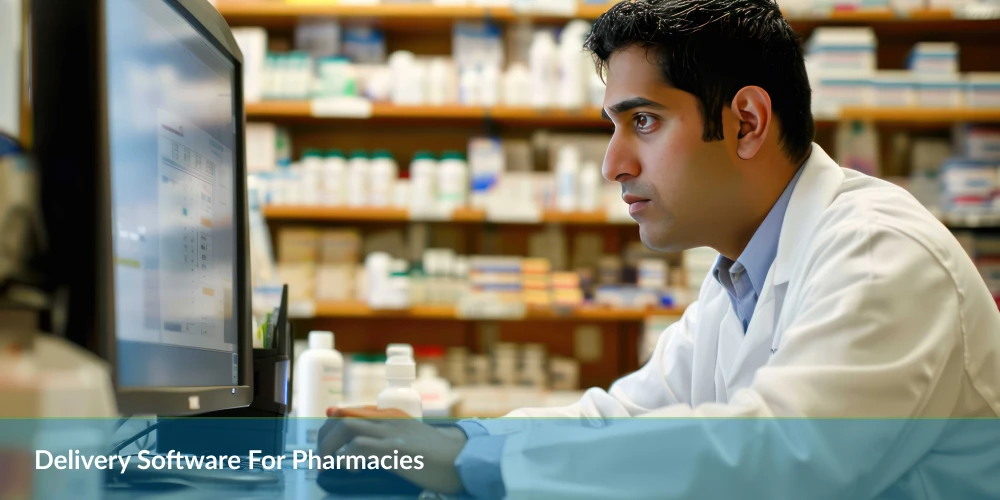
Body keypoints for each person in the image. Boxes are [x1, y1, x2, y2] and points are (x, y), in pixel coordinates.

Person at [318, 0, 1000, 497]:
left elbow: (776, 460)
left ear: (747, 122)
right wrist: (456, 442)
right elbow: (622, 416)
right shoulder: (740, 273)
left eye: (642, 122)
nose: (614, 163)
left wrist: (469, 467)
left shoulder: (882, 255)